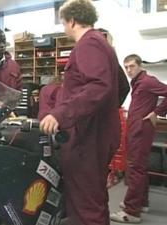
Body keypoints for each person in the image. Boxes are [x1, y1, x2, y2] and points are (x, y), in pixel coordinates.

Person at [39, 0, 121, 224]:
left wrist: (60, 113)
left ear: (72, 20)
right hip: (97, 134)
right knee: (94, 198)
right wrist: (104, 114)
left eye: (64, 23)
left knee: (85, 205)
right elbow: (121, 87)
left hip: (88, 138)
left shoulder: (87, 44)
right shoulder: (103, 44)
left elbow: (98, 86)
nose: (64, 28)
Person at [110, 54, 167, 223]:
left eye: (132, 66)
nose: (128, 70)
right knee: (140, 168)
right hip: (136, 130)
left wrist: (157, 112)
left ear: (140, 66)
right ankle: (142, 202)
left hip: (141, 131)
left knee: (135, 169)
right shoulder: (137, 82)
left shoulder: (148, 81)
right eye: (126, 67)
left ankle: (131, 211)